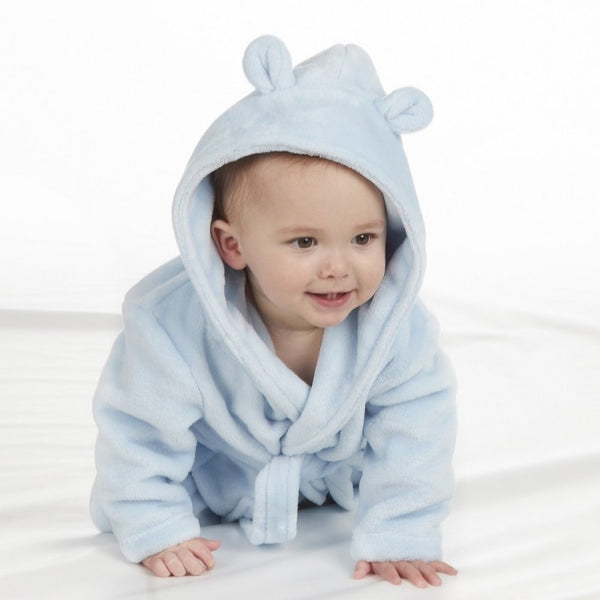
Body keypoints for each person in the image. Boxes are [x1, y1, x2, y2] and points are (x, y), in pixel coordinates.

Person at [90, 35, 458, 588]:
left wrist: (400, 530)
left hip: (334, 488)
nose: (338, 267)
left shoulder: (395, 327)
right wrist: (155, 524)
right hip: (215, 491)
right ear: (232, 245)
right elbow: (137, 429)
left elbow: (418, 427)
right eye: (305, 242)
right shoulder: (171, 325)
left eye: (363, 238)